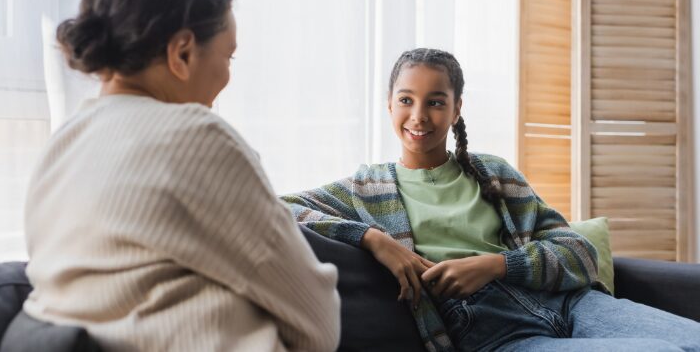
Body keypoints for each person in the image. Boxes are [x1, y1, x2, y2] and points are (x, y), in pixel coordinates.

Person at [281, 48, 700, 351]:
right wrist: (374, 238)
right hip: (496, 334)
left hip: (573, 304)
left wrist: (497, 264)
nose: (419, 116)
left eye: (436, 102)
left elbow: (579, 253)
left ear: (457, 109)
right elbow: (276, 204)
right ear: (389, 104)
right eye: (406, 100)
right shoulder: (366, 188)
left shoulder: (493, 172)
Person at [23, 0, 339, 351]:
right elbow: (318, 322)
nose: (227, 75)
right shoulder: (196, 138)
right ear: (183, 53)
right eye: (228, 56)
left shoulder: (62, 146)